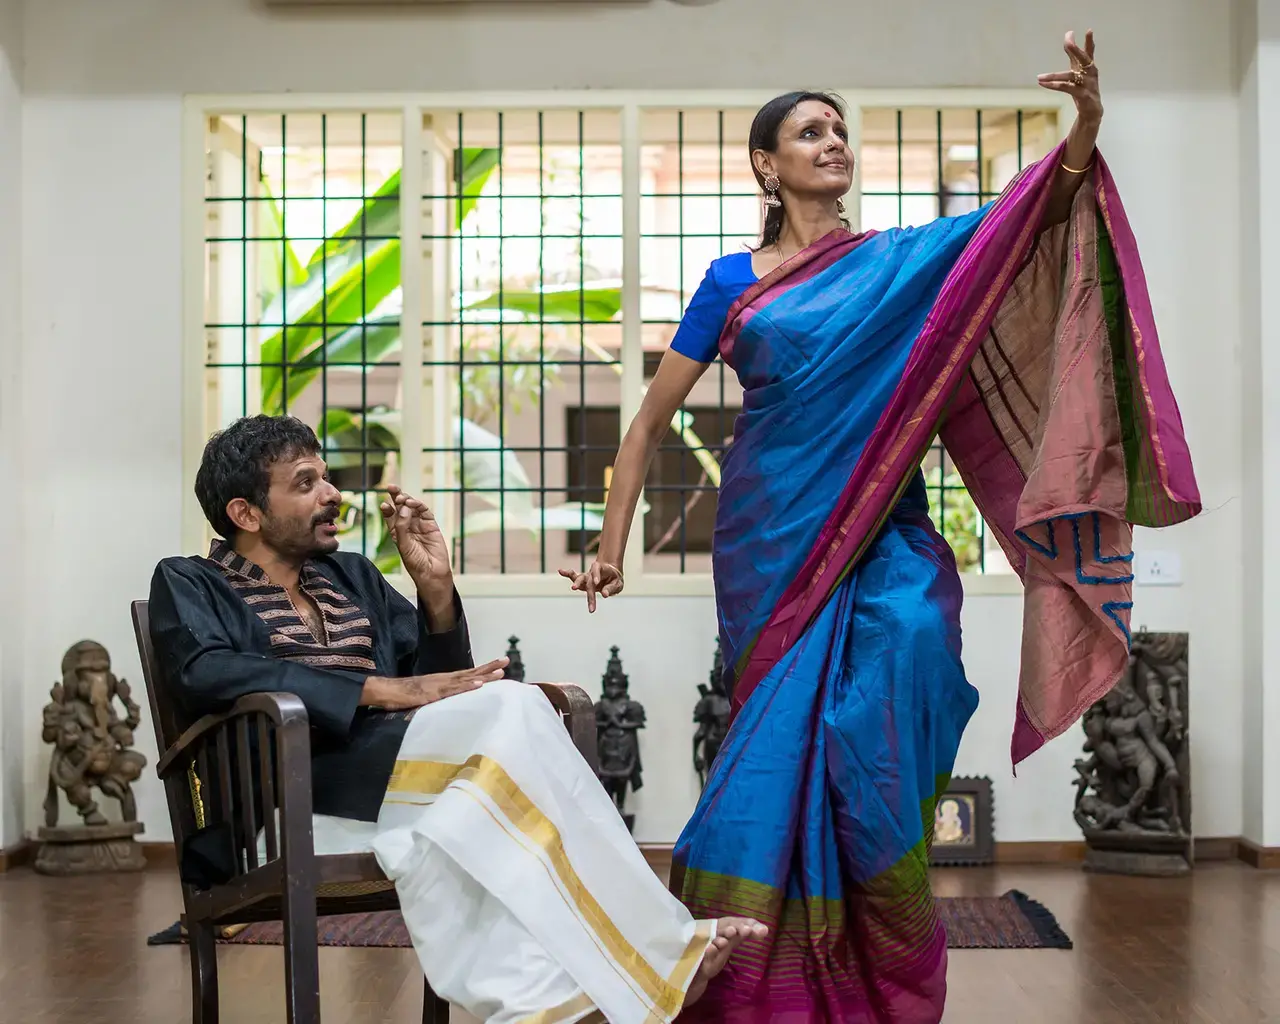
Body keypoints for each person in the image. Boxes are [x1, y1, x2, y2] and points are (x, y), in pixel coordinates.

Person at [562, 30, 1201, 1023]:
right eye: (806, 132)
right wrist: (609, 549)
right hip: (772, 536)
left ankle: (874, 965)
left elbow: (1024, 219)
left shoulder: (901, 261)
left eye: (837, 129)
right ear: (766, 166)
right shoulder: (732, 282)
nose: (830, 142)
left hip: (886, 529)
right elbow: (646, 423)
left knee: (897, 666)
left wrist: (1084, 127)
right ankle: (752, 978)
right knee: (772, 746)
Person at [148, 414, 766, 1024]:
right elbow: (208, 672)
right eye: (306, 482)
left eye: (326, 477)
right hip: (288, 794)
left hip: (390, 780)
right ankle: (661, 945)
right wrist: (380, 690)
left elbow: (443, 686)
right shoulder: (192, 581)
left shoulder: (350, 576)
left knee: (493, 779)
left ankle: (551, 1009)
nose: (333, 493)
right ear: (246, 514)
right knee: (514, 710)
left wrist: (435, 586)